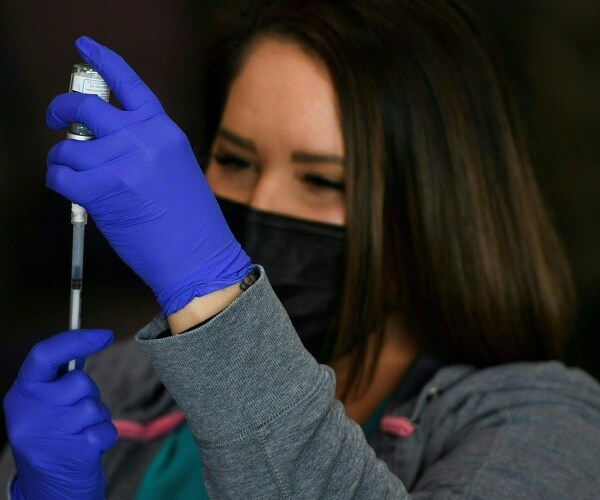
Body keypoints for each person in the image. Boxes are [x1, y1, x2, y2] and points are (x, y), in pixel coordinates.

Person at [2, 0, 600, 498]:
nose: (262, 204)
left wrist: (205, 280)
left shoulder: (547, 425)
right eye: (235, 161)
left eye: (322, 181)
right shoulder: (110, 393)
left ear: (437, 213)